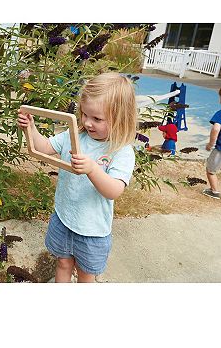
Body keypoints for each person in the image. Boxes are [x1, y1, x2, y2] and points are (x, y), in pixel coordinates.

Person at [17, 73, 137, 282]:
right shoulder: (73, 136)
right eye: (84, 114)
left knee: (85, 275)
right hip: (64, 218)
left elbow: (114, 190)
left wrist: (92, 169)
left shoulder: (120, 151)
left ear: (120, 119)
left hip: (92, 231)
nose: (88, 123)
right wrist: (31, 128)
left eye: (97, 119)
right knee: (63, 263)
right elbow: (43, 147)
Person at [202, 88, 221, 199]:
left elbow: (216, 128)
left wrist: (210, 144)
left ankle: (214, 192)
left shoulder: (220, 114)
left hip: (219, 149)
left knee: (211, 170)